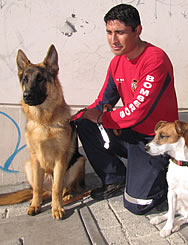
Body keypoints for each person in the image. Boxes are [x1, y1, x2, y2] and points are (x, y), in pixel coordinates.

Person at [72, 4, 178, 215]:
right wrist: (77, 116)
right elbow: (103, 101)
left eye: (120, 32)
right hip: (130, 134)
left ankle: (166, 173)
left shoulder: (155, 59)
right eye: (109, 33)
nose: (113, 39)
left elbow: (138, 111)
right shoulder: (116, 63)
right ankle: (115, 179)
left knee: (137, 204)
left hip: (154, 139)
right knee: (84, 122)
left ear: (137, 30)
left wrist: (103, 117)